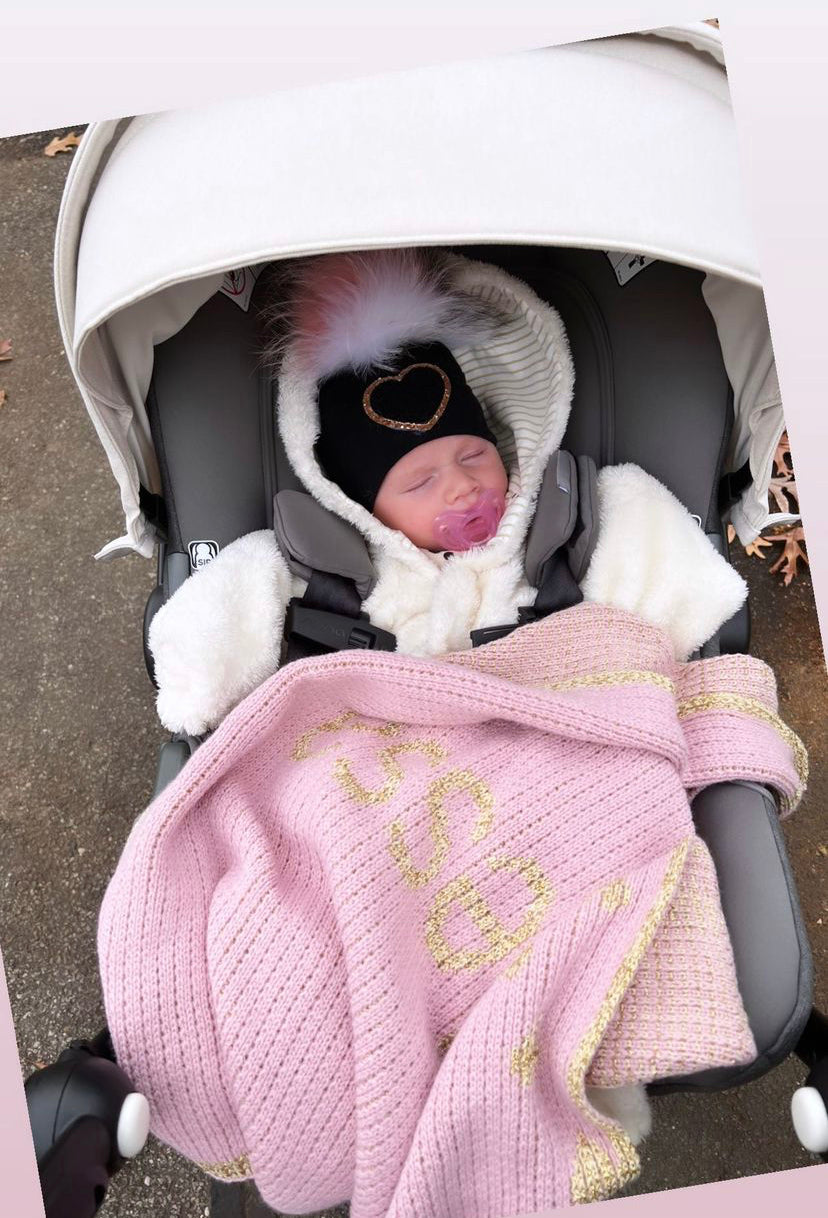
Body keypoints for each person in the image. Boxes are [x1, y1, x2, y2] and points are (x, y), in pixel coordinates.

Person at [149, 246, 747, 739]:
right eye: (420, 481)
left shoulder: (565, 531)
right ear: (361, 504)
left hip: (557, 734)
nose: (462, 485)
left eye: (473, 455)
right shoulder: (332, 574)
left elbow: (673, 583)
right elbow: (231, 604)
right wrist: (196, 675)